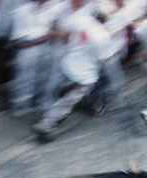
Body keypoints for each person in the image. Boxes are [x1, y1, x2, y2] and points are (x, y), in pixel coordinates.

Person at [32, 2, 112, 142]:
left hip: (68, 63)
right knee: (68, 101)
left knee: (64, 90)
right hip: (84, 75)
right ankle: (46, 125)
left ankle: (69, 104)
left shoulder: (83, 20)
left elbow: (66, 32)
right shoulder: (104, 37)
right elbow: (103, 59)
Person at [8, 0, 66, 116]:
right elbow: (16, 41)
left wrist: (53, 34)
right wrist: (46, 37)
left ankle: (35, 103)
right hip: (28, 50)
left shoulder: (51, 8)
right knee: (25, 79)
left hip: (45, 49)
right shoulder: (21, 11)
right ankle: (20, 107)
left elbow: (55, 27)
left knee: (42, 76)